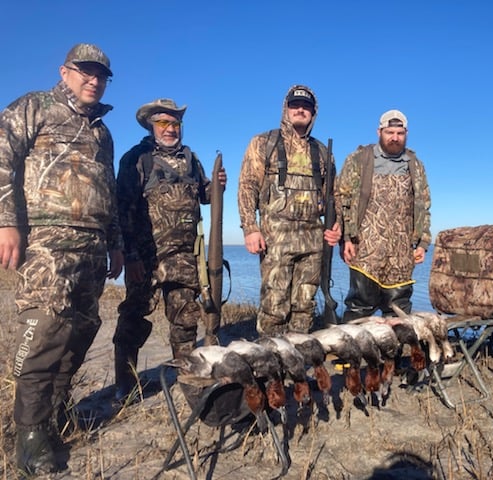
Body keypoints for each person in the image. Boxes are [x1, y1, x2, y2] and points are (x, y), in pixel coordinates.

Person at [0, 43, 123, 475]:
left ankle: (54, 414)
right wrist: (6, 221)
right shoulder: (35, 106)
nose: (94, 80)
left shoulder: (103, 134)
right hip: (47, 242)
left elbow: (108, 190)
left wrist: (117, 242)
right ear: (64, 71)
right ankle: (29, 435)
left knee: (82, 330)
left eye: (102, 75)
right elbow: (2, 156)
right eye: (86, 71)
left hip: (93, 246)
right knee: (46, 329)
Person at [112, 98, 226, 402]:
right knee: (134, 316)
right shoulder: (137, 159)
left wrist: (216, 186)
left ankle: (187, 377)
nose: (170, 129)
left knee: (186, 320)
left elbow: (204, 196)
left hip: (185, 259)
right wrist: (130, 254)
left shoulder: (191, 159)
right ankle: (125, 383)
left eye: (175, 123)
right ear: (152, 125)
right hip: (146, 260)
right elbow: (122, 209)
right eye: (164, 123)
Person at [238, 85, 341, 335]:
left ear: (313, 113)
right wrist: (250, 228)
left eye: (306, 107)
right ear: (286, 109)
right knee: (274, 307)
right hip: (276, 240)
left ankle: (297, 366)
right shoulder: (264, 142)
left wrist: (337, 225)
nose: (300, 110)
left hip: (313, 243)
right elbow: (247, 185)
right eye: (295, 105)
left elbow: (333, 196)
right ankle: (271, 368)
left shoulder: (323, 152)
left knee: (305, 307)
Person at [336, 110, 431, 321]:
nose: (394, 138)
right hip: (366, 249)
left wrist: (423, 243)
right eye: (389, 132)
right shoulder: (359, 159)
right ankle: (355, 354)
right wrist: (346, 239)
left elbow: (423, 206)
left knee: (398, 311)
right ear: (379, 131)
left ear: (406, 134)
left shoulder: (415, 165)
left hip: (402, 252)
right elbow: (342, 200)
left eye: (400, 133)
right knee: (360, 309)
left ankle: (392, 354)